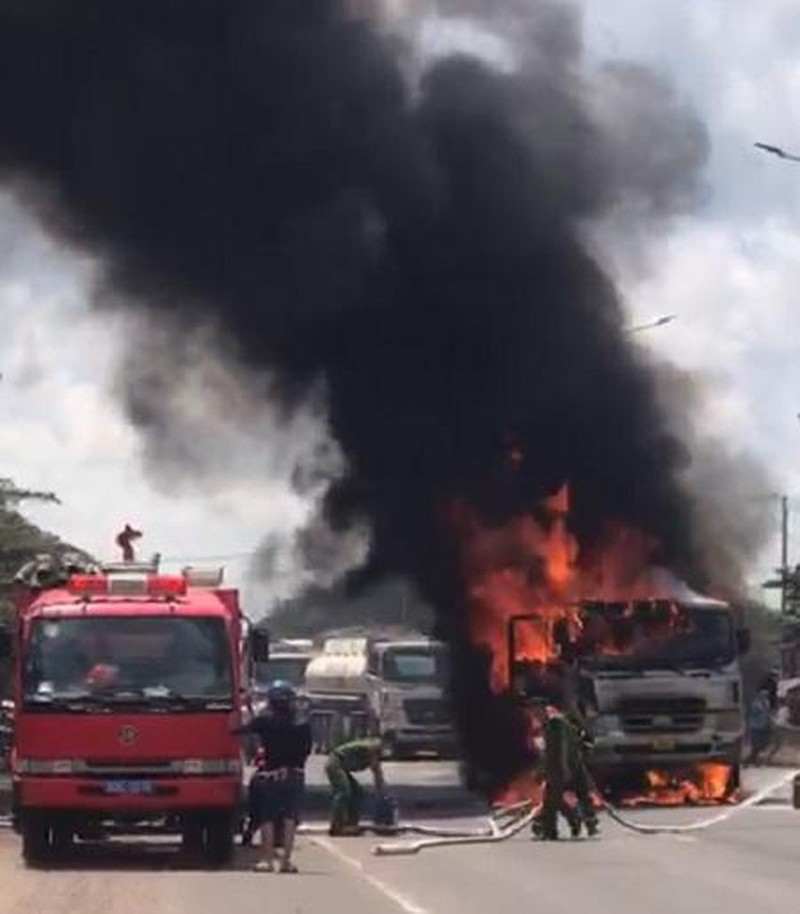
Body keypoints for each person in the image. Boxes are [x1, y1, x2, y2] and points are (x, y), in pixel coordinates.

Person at [233, 681, 311, 872]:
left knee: (267, 818)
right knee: (290, 818)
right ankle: (286, 862)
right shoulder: (302, 726)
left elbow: (240, 730)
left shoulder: (266, 722)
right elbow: (306, 751)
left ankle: (267, 860)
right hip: (296, 775)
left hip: (271, 775)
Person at [531, 700, 598, 841]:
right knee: (555, 799)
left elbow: (562, 749)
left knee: (555, 799)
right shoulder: (548, 724)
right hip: (562, 765)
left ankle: (571, 824)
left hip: (566, 765)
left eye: (536, 711)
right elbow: (546, 751)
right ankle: (564, 825)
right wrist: (541, 770)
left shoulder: (556, 725)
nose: (534, 714)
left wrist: (563, 770)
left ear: (543, 709)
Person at [325, 736, 386, 836]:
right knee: (343, 792)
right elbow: (377, 770)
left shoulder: (372, 752)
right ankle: (336, 825)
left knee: (358, 792)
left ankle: (351, 823)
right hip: (335, 763)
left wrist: (382, 795)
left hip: (342, 767)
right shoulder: (370, 748)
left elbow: (378, 774)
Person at [746, 687, 773, 766]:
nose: (764, 697)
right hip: (755, 727)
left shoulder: (767, 702)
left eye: (766, 695)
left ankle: (754, 761)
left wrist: (770, 720)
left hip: (764, 726)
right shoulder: (755, 703)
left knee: (763, 745)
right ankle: (750, 761)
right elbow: (753, 713)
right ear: (759, 695)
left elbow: (767, 713)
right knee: (755, 746)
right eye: (763, 695)